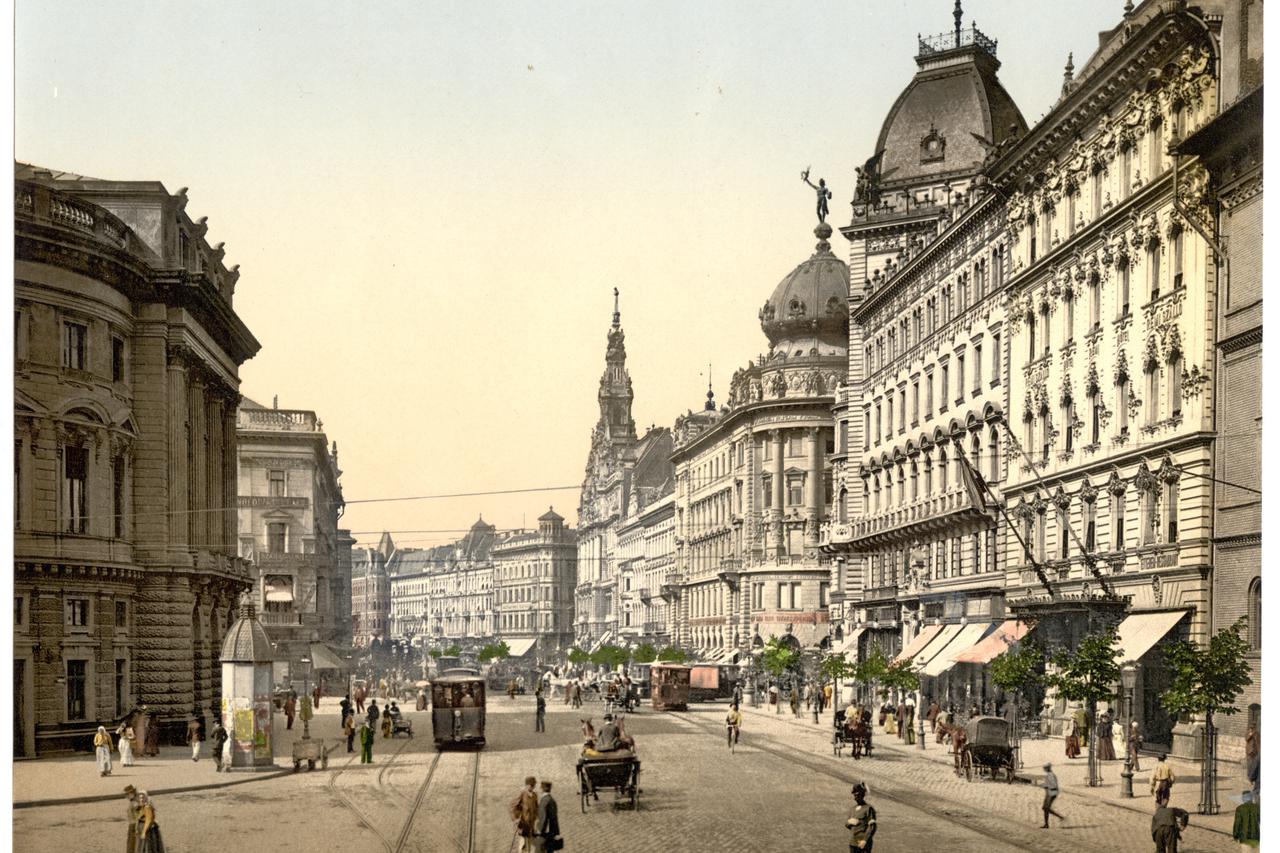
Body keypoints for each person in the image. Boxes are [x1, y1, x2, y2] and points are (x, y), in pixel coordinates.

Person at [510, 776, 539, 853]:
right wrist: (515, 819)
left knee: (530, 847)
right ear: (527, 785)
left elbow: (537, 809)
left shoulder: (535, 795)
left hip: (531, 825)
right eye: (531, 785)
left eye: (534, 785)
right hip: (523, 824)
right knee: (523, 846)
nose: (533, 787)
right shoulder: (522, 794)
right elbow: (513, 806)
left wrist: (537, 820)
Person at [846, 781, 877, 851]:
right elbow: (847, 824)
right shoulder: (852, 809)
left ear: (862, 794)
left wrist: (865, 840)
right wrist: (849, 823)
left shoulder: (868, 808)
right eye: (854, 794)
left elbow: (872, 826)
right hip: (853, 842)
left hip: (863, 843)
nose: (855, 796)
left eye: (857, 794)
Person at [535, 780, 561, 853]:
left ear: (542, 789)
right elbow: (554, 818)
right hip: (552, 831)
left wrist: (539, 830)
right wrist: (556, 832)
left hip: (545, 832)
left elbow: (543, 818)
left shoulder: (544, 801)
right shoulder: (552, 800)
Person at [1040, 763, 1065, 827]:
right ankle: (1046, 824)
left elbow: (1054, 785)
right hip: (1049, 793)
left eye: (1045, 768)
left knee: (1046, 808)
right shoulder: (1049, 774)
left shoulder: (1051, 775)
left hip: (1052, 793)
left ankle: (1059, 817)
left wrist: (1045, 785)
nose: (1044, 769)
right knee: (1045, 808)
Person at [124, 785, 142, 853]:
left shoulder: (135, 803)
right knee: (132, 844)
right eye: (127, 794)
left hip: (135, 826)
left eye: (129, 794)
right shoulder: (133, 802)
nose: (128, 796)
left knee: (133, 845)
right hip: (132, 826)